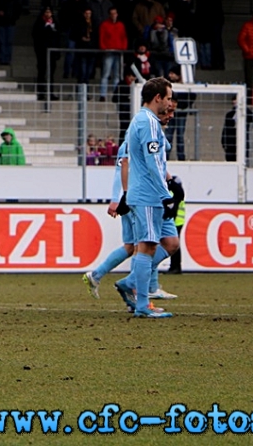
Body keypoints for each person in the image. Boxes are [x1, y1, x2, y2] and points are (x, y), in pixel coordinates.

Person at [83, 103, 180, 303]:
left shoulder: (153, 135)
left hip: (144, 196)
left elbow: (158, 164)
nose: (171, 114)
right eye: (167, 110)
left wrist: (172, 181)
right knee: (141, 246)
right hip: (139, 198)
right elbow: (122, 168)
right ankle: (138, 287)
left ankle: (132, 284)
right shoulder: (132, 141)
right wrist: (118, 198)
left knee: (141, 246)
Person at [112, 77, 174, 319]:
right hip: (148, 194)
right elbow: (153, 160)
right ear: (157, 97)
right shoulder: (147, 122)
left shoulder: (142, 120)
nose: (169, 103)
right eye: (168, 98)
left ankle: (139, 298)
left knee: (147, 246)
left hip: (143, 193)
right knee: (147, 247)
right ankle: (142, 305)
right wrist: (164, 193)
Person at [98, 6, 128, 101]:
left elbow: (124, 37)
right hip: (109, 52)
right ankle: (103, 94)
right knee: (105, 74)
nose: (113, 15)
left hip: (118, 52)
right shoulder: (104, 25)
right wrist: (104, 48)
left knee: (117, 75)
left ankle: (116, 95)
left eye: (115, 13)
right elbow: (102, 37)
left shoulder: (121, 25)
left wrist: (123, 48)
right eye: (112, 14)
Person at [32, 6, 60, 101]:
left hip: (52, 53)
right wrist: (46, 27)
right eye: (46, 12)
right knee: (41, 72)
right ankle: (41, 92)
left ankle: (50, 92)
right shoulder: (39, 23)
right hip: (42, 52)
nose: (48, 14)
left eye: (49, 12)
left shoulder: (55, 23)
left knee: (51, 73)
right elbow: (35, 35)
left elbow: (58, 37)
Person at [112, 72, 137, 144]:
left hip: (134, 112)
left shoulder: (136, 85)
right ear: (128, 76)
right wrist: (126, 98)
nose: (133, 79)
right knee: (124, 130)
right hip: (124, 111)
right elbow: (114, 98)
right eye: (132, 76)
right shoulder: (121, 84)